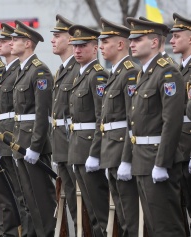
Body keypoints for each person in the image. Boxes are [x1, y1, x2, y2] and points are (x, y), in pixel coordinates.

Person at [127, 17, 185, 236]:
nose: (131, 43)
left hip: (158, 158)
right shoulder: (144, 74)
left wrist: (162, 163)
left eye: (137, 39)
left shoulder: (168, 73)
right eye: (131, 39)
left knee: (167, 227)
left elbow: (172, 122)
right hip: (142, 158)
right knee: (152, 225)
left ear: (154, 42)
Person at [0, 22, 33, 237]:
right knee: (6, 193)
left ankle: (24, 232)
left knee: (22, 194)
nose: (2, 44)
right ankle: (9, 232)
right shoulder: (4, 72)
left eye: (5, 41)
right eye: (1, 40)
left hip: (15, 138)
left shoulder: (18, 71)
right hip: (2, 137)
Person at [9, 20, 56, 237]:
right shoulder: (23, 70)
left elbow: (42, 112)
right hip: (21, 140)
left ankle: (48, 233)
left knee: (42, 198)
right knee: (29, 196)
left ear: (28, 43)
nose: (11, 42)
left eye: (16, 39)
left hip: (32, 142)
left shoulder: (39, 71)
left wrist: (36, 146)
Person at [98, 17, 140, 236]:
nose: (101, 46)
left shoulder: (130, 72)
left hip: (122, 150)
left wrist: (126, 159)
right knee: (122, 215)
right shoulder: (115, 72)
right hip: (111, 151)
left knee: (131, 216)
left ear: (121, 44)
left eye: (106, 42)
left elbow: (132, 120)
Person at [67, 24, 109, 237]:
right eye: (74, 46)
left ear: (95, 48)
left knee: (99, 207)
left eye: (83, 45)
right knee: (89, 207)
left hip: (90, 147)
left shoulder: (97, 75)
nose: (77, 50)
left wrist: (95, 152)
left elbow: (102, 116)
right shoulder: (79, 74)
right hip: (78, 147)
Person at [50, 14, 79, 234]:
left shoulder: (78, 70)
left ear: (70, 40)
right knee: (70, 195)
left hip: (75, 142)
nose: (53, 40)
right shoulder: (60, 71)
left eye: (57, 36)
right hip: (62, 142)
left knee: (82, 200)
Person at [169, 12, 191, 230]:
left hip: (189, 150)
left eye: (177, 36)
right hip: (178, 150)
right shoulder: (178, 70)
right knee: (180, 211)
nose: (172, 41)